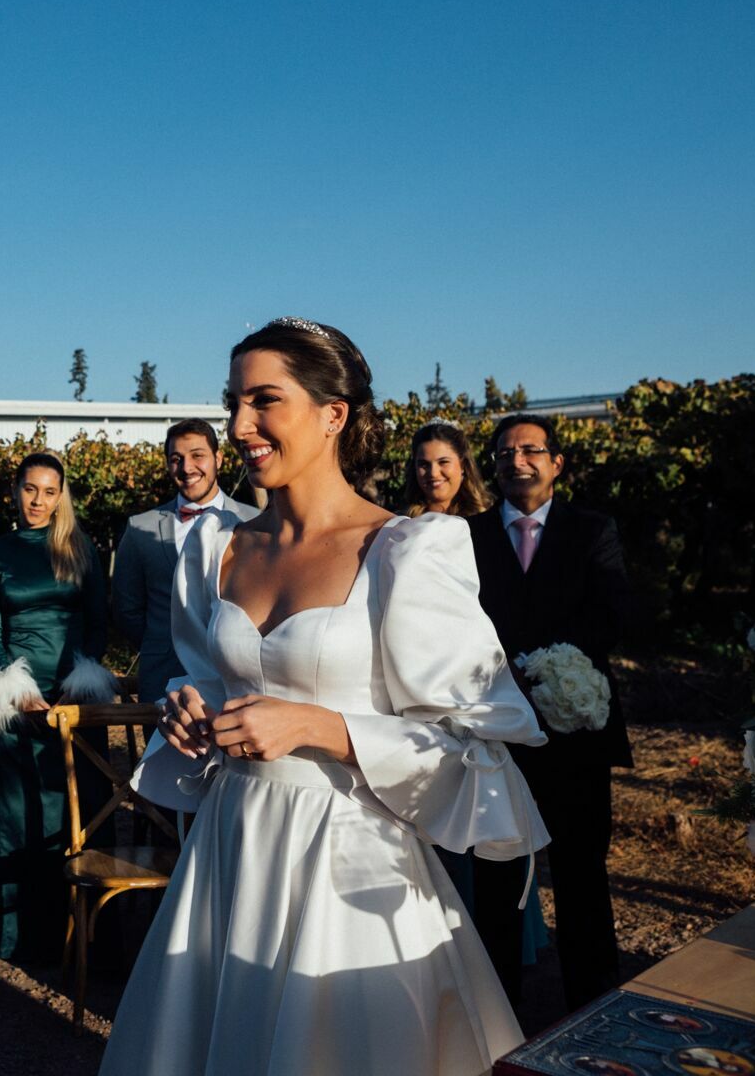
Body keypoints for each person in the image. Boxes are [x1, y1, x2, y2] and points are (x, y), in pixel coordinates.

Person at [102, 318, 548, 1076]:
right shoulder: (216, 549)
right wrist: (190, 708)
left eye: (263, 401)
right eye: (233, 401)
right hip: (230, 848)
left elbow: (478, 749)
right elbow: (212, 675)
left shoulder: (403, 553)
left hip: (351, 864)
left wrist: (325, 728)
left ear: (333, 412)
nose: (239, 426)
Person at [466, 411, 633, 1011]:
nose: (518, 461)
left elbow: (610, 613)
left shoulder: (593, 530)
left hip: (576, 730)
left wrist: (548, 668)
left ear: (557, 462)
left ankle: (595, 1009)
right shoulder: (470, 536)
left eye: (531, 450)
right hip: (496, 731)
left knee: (583, 874)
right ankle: (497, 1014)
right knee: (498, 879)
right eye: (506, 452)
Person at [402, 420, 549, 977]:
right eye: (422, 463)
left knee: (492, 825)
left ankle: (499, 960)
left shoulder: (486, 530)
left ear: (464, 467)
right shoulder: (399, 529)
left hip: (483, 686)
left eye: (443, 462)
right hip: (426, 691)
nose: (432, 472)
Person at [0, 451, 113, 962]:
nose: (38, 500)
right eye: (30, 489)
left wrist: (82, 678)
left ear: (61, 496)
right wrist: (15, 686)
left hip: (76, 698)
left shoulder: (80, 548)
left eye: (49, 491)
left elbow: (99, 621)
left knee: (84, 811)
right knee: (22, 813)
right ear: (15, 491)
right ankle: (28, 941)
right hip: (19, 701)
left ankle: (91, 943)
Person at [113, 417, 260, 703]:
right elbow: (126, 611)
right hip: (163, 681)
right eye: (176, 459)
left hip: (239, 682)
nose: (187, 468)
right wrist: (163, 642)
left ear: (218, 458)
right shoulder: (140, 528)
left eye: (197, 456)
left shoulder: (254, 521)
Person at [404, 419, 493, 518]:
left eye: (443, 462)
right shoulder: (400, 524)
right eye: (424, 464)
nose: (433, 473)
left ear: (462, 465)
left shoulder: (488, 519)